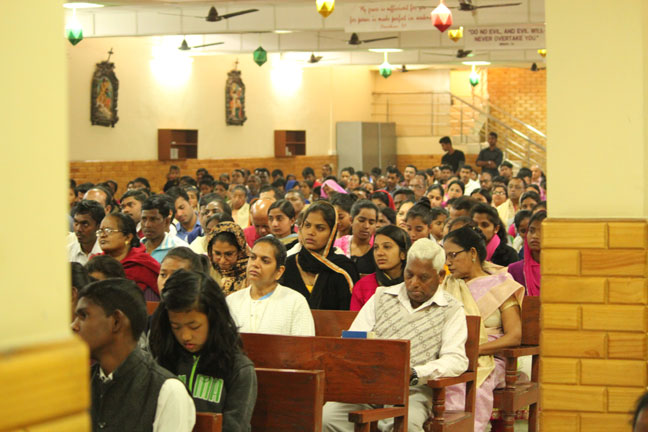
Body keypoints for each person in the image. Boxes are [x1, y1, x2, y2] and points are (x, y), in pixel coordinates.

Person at [323, 238, 468, 432]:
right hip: (367, 387)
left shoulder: (451, 309)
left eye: (423, 278)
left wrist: (416, 373)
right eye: (409, 274)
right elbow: (352, 342)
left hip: (412, 392)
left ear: (441, 276)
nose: (414, 283)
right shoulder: (381, 296)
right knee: (326, 419)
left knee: (405, 425)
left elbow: (456, 359)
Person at [72, 278, 196, 432]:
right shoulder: (78, 383)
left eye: (83, 316)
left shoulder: (167, 391)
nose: (73, 326)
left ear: (116, 321)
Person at [149, 270, 257, 430]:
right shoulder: (163, 362)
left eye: (194, 326)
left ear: (214, 320)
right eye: (176, 327)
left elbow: (235, 427)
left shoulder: (238, 369)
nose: (185, 336)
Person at [441, 226, 524, 432]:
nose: (448, 262)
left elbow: (514, 336)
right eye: (445, 256)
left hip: (490, 357)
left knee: (469, 382)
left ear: (472, 253)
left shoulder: (500, 284)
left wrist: (476, 350)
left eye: (453, 255)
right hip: (452, 354)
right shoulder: (446, 286)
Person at [226, 236, 315, 335]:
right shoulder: (231, 301)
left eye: (265, 261)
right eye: (253, 257)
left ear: (279, 272)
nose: (255, 264)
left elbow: (304, 343)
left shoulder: (295, 301)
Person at [281, 201, 359, 310]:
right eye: (307, 225)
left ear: (332, 233)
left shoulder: (343, 270)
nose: (311, 232)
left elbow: (349, 315)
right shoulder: (287, 266)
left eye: (320, 228)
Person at [96, 212, 161, 301]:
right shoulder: (95, 263)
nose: (102, 235)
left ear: (128, 237)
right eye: (100, 231)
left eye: (108, 231)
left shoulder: (143, 265)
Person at [350, 225, 411, 311]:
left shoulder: (412, 284)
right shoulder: (363, 286)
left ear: (403, 254)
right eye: (376, 247)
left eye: (387, 247)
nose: (379, 253)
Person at [334, 200, 379, 276]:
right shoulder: (337, 246)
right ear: (351, 220)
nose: (366, 226)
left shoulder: (378, 249)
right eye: (361, 220)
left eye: (371, 223)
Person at [141, 196, 189, 263]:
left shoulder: (180, 249)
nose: (147, 225)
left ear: (166, 221)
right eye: (144, 219)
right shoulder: (135, 246)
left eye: (153, 219)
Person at [508, 211, 546, 296]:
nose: (534, 236)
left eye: (542, 231)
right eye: (531, 231)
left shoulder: (560, 271)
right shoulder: (515, 270)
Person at [208, 221, 249, 296]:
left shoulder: (251, 274)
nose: (222, 260)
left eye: (229, 254)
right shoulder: (206, 270)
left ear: (240, 252)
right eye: (217, 254)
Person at [69, 200, 105, 265]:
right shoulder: (67, 252)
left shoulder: (107, 252)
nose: (78, 229)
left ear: (99, 226)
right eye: (76, 223)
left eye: (85, 224)